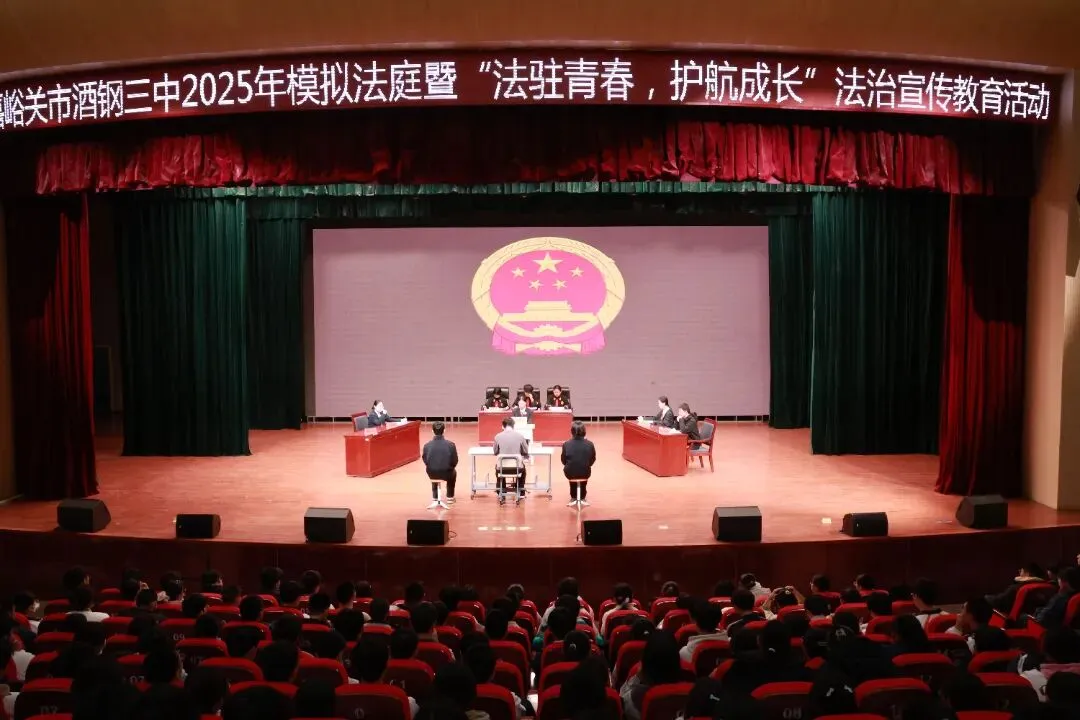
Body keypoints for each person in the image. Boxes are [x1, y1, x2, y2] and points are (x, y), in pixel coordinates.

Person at [620, 631, 682, 720]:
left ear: (645, 662)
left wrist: (636, 677)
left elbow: (621, 700)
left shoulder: (633, 698)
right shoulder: (686, 694)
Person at [423, 421, 459, 509]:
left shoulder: (427, 445)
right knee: (453, 473)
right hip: (447, 473)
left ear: (432, 431)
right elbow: (455, 461)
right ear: (444, 430)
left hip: (432, 473)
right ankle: (450, 497)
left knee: (433, 468)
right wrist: (449, 468)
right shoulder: (451, 445)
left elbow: (426, 460)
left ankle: (435, 497)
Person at [492, 417, 529, 504]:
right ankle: (521, 491)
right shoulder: (520, 436)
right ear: (513, 426)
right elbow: (525, 451)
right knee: (523, 470)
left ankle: (501, 491)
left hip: (502, 468)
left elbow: (495, 452)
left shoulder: (497, 436)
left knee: (497, 468)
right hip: (517, 468)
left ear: (503, 426)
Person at [561, 420, 596, 507]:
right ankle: (582, 496)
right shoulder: (590, 444)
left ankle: (573, 496)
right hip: (585, 472)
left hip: (570, 472)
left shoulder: (566, 444)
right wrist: (586, 464)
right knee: (583, 471)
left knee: (572, 470)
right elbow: (593, 459)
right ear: (584, 431)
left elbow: (563, 461)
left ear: (572, 431)